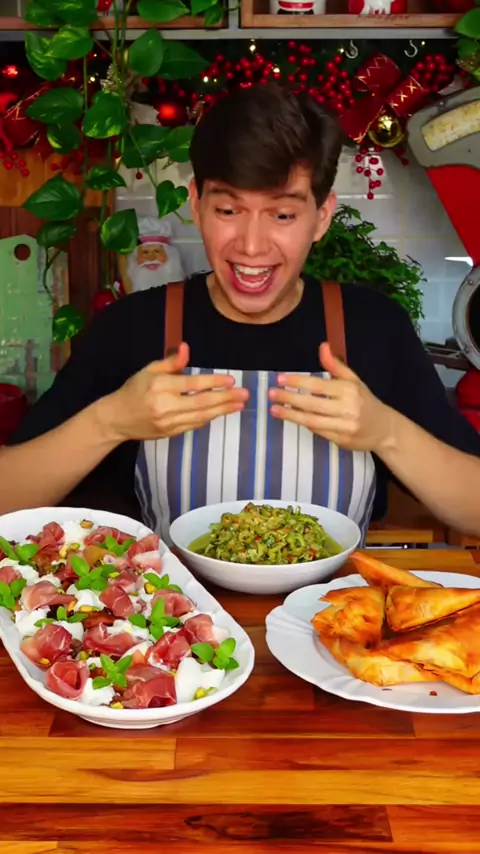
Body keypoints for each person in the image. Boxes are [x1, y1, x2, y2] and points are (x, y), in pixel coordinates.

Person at [2, 84, 480, 542]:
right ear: (196, 204)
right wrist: (112, 421)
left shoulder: (374, 328)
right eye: (228, 211)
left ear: (322, 216)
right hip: (172, 601)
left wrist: (387, 432)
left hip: (341, 601)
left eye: (283, 215)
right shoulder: (132, 328)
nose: (251, 247)